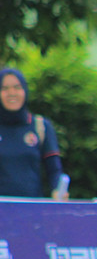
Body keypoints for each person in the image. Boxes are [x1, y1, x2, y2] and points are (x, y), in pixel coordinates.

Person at [0, 67, 67, 199]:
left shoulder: (40, 126)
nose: (11, 93)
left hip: (32, 208)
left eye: (17, 87)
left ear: (25, 91)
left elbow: (54, 170)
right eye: (4, 88)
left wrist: (58, 190)